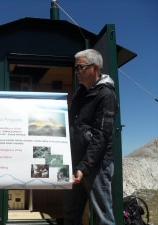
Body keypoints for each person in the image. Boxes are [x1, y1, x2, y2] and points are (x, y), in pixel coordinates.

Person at [63, 49, 118, 225]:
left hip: (97, 165)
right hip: (76, 162)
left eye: (80, 67)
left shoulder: (106, 95)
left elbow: (101, 135)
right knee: (71, 213)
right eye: (75, 68)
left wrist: (84, 167)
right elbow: (71, 123)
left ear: (94, 68)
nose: (77, 72)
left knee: (103, 216)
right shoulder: (81, 92)